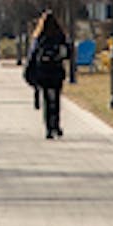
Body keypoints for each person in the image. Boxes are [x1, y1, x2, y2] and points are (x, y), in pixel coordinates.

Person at [24, 11, 68, 139]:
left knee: (47, 100)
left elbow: (32, 55)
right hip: (57, 71)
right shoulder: (60, 36)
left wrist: (29, 72)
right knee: (56, 99)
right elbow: (68, 52)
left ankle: (49, 128)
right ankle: (56, 125)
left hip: (43, 72)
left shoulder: (39, 37)